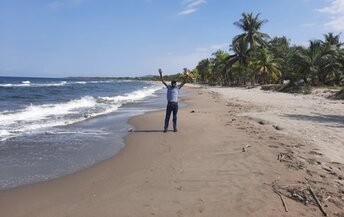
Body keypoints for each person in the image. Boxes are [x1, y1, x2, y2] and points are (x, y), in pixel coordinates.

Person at [159, 68, 189, 133]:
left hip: (175, 104)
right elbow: (163, 81)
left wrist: (187, 76)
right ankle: (165, 128)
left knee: (174, 117)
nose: (174, 84)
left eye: (175, 83)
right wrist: (161, 74)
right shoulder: (168, 87)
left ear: (176, 83)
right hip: (169, 104)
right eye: (173, 83)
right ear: (171, 83)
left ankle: (175, 128)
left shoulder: (178, 87)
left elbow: (183, 82)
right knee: (167, 117)